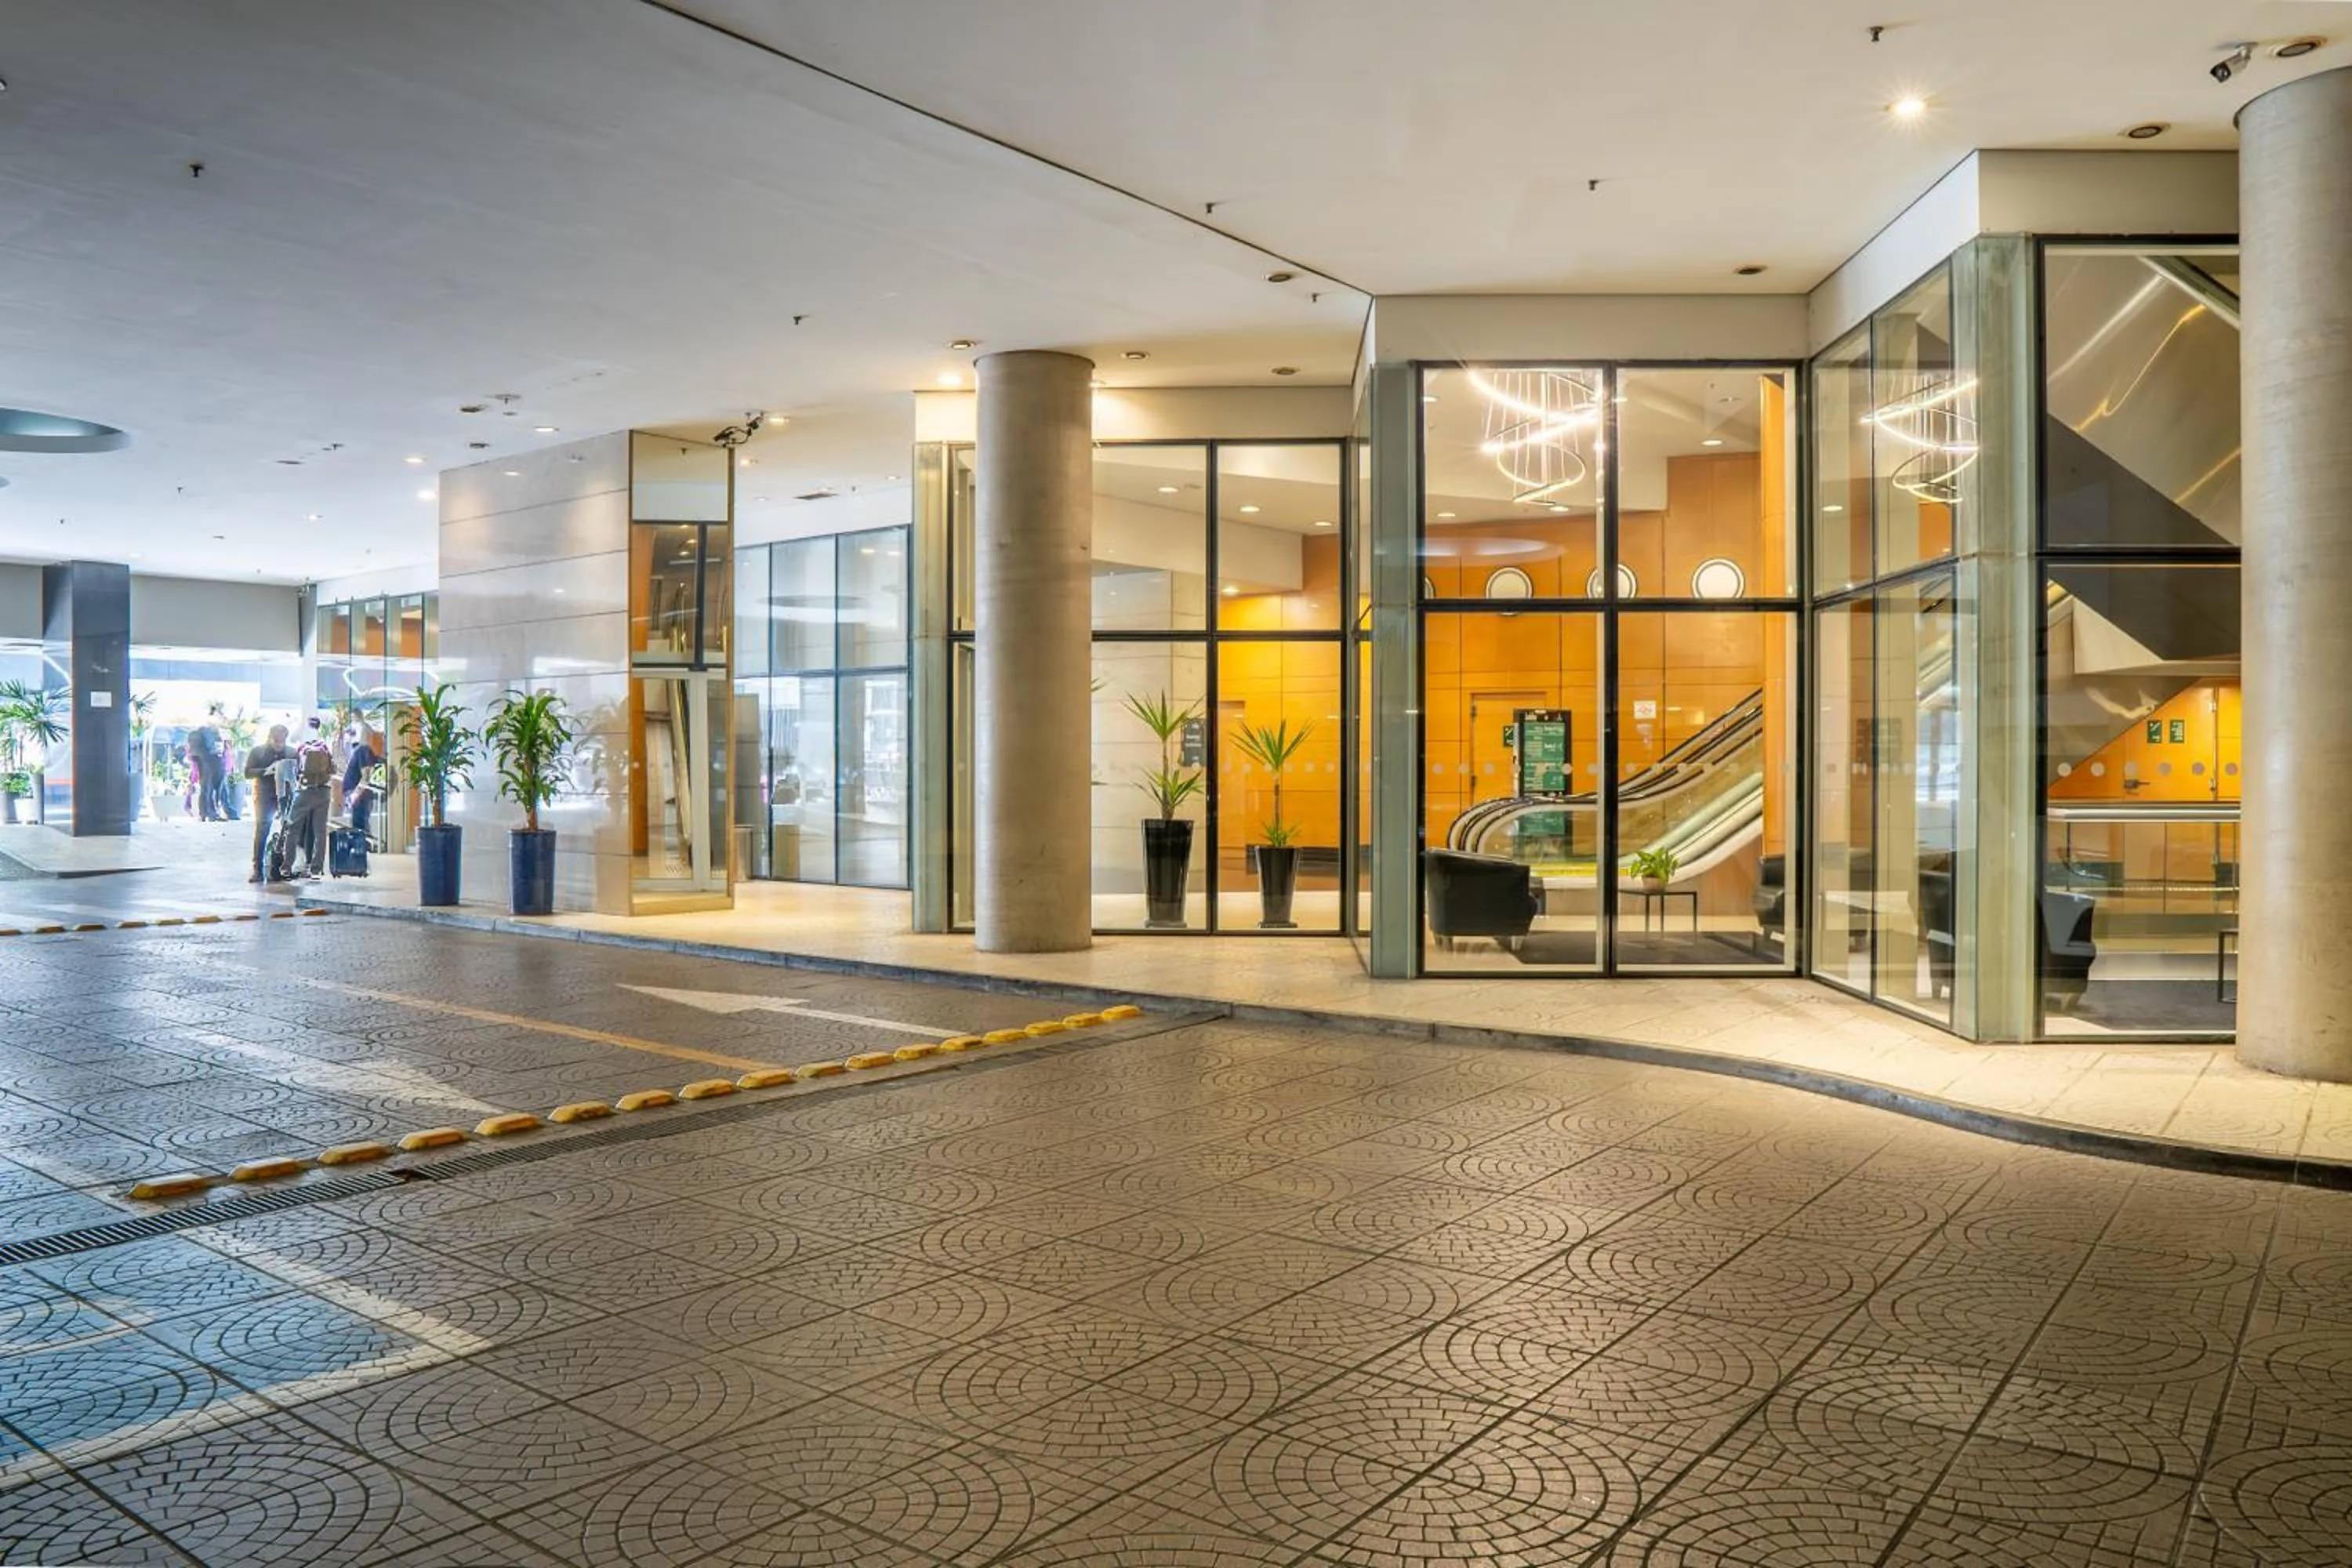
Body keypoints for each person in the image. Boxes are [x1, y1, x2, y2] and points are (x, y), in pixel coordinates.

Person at [243, 724, 292, 883]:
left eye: (282, 741)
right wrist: (265, 771)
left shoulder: (291, 752)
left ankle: (282, 866)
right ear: (269, 738)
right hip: (265, 794)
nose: (279, 745)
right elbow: (247, 773)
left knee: (289, 829)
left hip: (285, 794)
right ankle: (258, 869)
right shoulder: (258, 752)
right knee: (263, 829)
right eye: (276, 741)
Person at [287, 724, 335, 877]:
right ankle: (316, 868)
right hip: (323, 792)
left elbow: (295, 772)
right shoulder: (325, 748)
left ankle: (287, 865)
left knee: (293, 829)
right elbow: (333, 770)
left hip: (305, 792)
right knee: (320, 832)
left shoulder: (301, 749)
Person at [342, 724, 380, 839]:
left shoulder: (363, 750)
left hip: (360, 793)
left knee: (359, 823)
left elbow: (366, 775)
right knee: (360, 822)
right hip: (358, 792)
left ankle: (363, 848)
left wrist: (355, 794)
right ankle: (363, 846)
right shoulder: (361, 751)